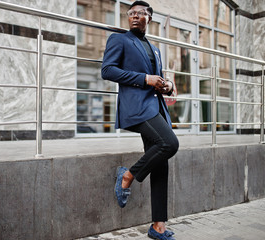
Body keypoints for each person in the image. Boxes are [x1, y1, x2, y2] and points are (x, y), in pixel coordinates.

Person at [101, 1, 179, 239]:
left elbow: (160, 80)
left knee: (160, 164)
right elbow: (108, 70)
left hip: (155, 108)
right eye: (131, 13)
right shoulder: (120, 39)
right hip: (137, 108)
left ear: (149, 18)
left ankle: (158, 226)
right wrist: (144, 79)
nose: (135, 16)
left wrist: (168, 85)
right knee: (170, 144)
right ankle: (127, 176)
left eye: (140, 13)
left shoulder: (153, 48)